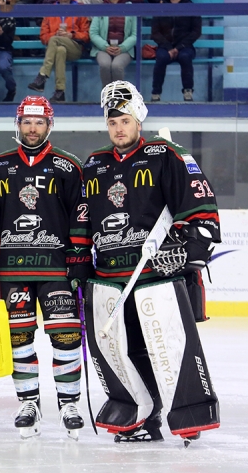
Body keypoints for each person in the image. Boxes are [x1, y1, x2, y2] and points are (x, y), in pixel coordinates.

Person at [81, 80, 221, 445]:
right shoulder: (94, 164)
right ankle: (143, 415)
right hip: (110, 276)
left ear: (138, 118)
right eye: (112, 122)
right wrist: (80, 263)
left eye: (124, 120)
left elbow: (199, 205)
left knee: (167, 346)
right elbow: (81, 221)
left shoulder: (166, 154)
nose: (118, 128)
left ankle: (190, 414)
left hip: (155, 274)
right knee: (121, 352)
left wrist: (193, 244)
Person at [0, 95, 91, 439]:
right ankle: (29, 403)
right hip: (13, 271)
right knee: (20, 340)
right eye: (27, 122)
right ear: (18, 124)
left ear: (49, 124)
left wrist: (78, 261)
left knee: (66, 336)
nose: (32, 128)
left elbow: (81, 216)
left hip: (57, 270)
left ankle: (69, 403)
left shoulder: (68, 166)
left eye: (39, 122)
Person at [27, 0, 89, 103]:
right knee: (60, 50)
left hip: (75, 46)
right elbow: (44, 37)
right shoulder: (51, 11)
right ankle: (60, 92)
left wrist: (72, 35)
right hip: (56, 48)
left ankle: (42, 75)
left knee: (55, 41)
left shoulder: (80, 9)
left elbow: (86, 35)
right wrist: (55, 34)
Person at [150, 0, 200, 102]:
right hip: (165, 46)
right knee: (161, 57)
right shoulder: (161, 8)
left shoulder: (190, 7)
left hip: (185, 46)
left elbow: (196, 31)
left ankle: (188, 90)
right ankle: (156, 92)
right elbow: (155, 32)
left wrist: (179, 48)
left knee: (185, 57)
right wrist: (168, 47)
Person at [90, 0, 136, 89]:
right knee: (105, 65)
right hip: (103, 48)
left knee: (116, 66)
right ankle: (107, 95)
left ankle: (118, 97)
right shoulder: (101, 9)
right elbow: (93, 32)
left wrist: (122, 47)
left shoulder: (130, 9)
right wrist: (105, 47)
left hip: (124, 49)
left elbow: (135, 34)